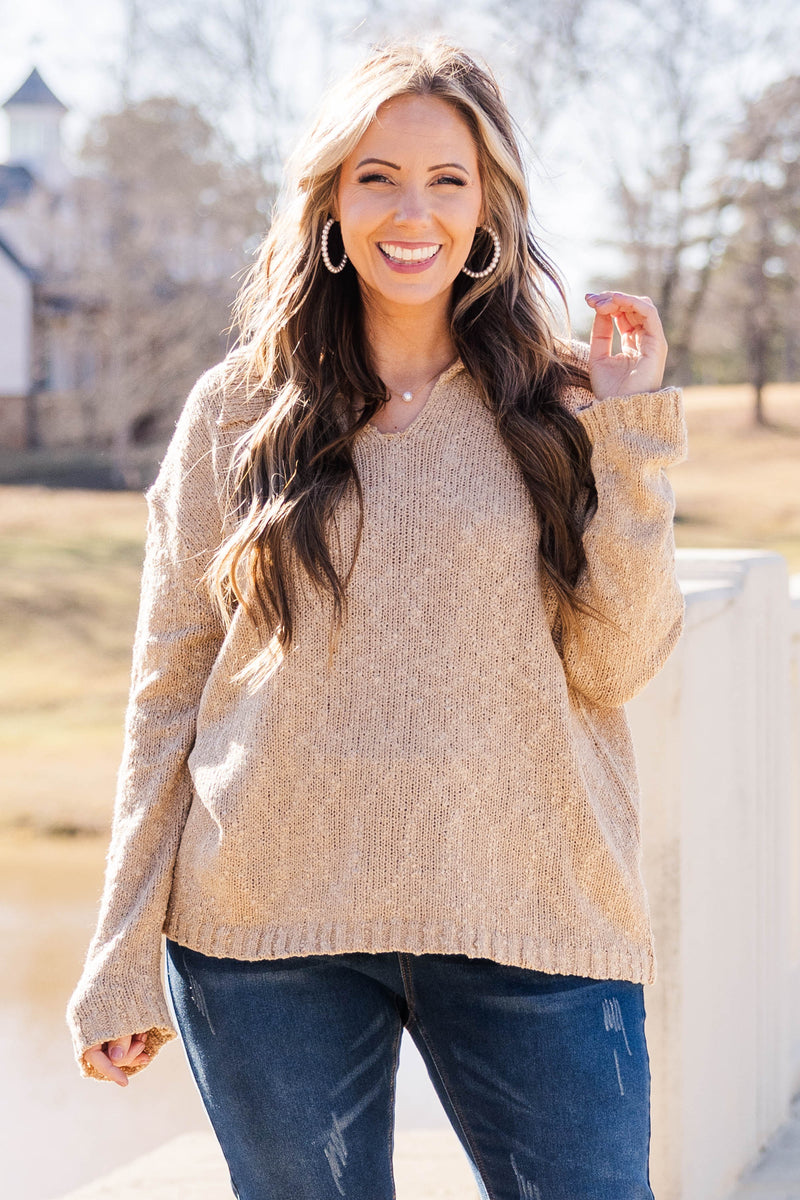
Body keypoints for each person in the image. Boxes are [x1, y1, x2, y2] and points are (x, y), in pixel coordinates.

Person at [67, 38, 687, 1200]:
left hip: (531, 908)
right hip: (263, 929)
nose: (413, 212)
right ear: (329, 204)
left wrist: (631, 437)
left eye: (447, 179)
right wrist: (116, 958)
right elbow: (169, 690)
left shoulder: (561, 404)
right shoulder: (234, 412)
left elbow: (617, 659)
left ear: (489, 203)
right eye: (376, 176)